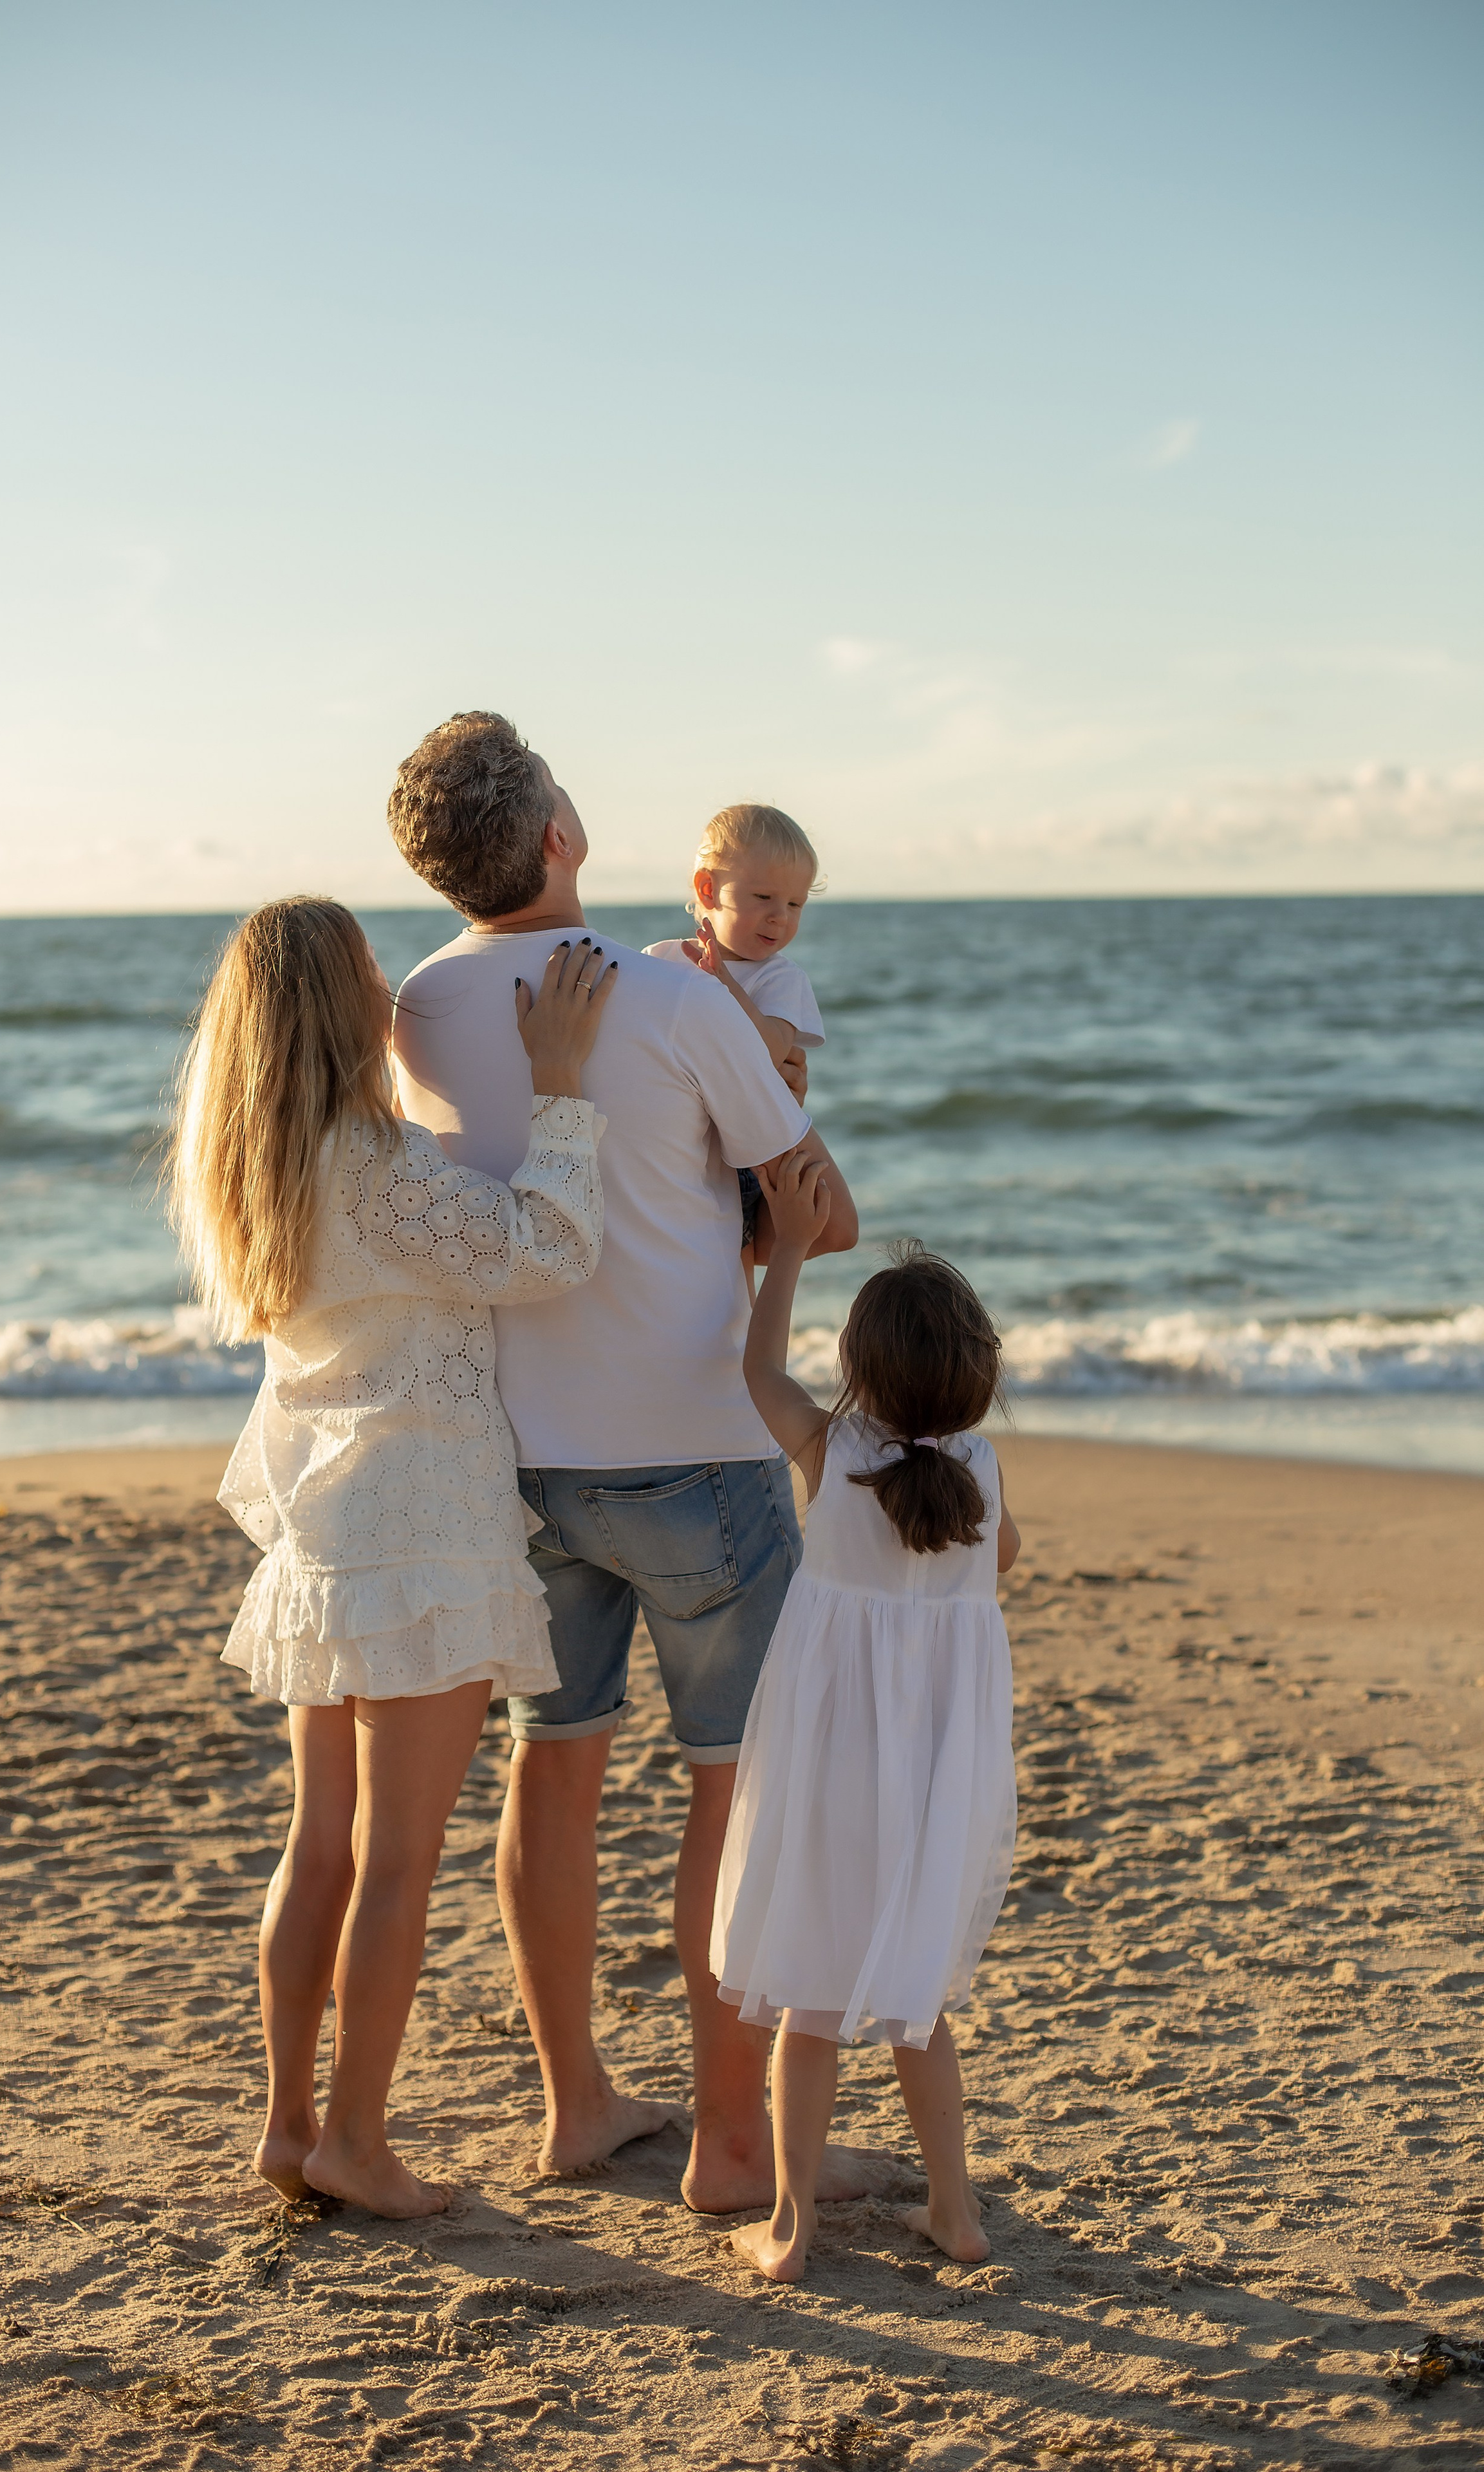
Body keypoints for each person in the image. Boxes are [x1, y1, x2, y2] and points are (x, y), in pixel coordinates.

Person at [387, 711, 863, 2211]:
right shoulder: (671, 998)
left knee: (554, 1765)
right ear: (559, 836)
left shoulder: (414, 1005)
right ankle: (730, 2143)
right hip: (694, 1453)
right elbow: (820, 1212)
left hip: (518, 1462)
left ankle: (575, 2104)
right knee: (732, 1787)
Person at [167, 896, 615, 2218]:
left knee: (321, 1846)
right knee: (397, 1859)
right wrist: (561, 1090)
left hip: (325, 1534)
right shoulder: (375, 1165)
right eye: (369, 969)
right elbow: (545, 1248)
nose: (391, 988)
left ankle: (291, 2125)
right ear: (332, 1005)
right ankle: (356, 2143)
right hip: (417, 1531)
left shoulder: (261, 1169)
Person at [712, 1170, 1019, 2282]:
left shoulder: (834, 1457)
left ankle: (791, 2228)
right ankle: (956, 2212)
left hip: (833, 1767)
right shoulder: (980, 1473)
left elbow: (757, 1370)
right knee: (916, 2009)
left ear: (860, 1372)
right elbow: (1004, 1560)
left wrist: (788, 1247)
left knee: (810, 2001)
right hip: (937, 1777)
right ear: (976, 1378)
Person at [644, 803, 826, 1281]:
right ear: (708, 889)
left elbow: (769, 1052)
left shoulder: (780, 978)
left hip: (741, 1152)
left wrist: (723, 982)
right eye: (764, 897)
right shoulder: (660, 959)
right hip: (670, 1140)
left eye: (795, 905)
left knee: (732, 1255)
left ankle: (741, 1324)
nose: (780, 918)